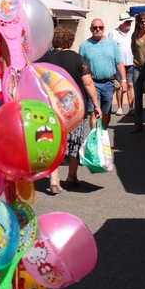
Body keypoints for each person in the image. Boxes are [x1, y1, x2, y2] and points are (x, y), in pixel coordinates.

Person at [43, 26, 101, 192]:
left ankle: (54, 178)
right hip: (75, 108)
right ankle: (72, 175)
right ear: (70, 40)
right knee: (75, 139)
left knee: (53, 141)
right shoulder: (78, 59)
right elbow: (88, 83)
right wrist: (95, 104)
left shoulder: (45, 58)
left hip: (51, 106)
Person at [79, 18, 126, 130]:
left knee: (106, 112)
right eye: (95, 27)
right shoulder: (84, 46)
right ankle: (95, 138)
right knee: (94, 112)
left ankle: (102, 134)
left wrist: (123, 80)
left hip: (109, 83)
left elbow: (119, 63)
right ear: (91, 29)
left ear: (104, 29)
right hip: (92, 83)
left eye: (100, 27)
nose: (98, 29)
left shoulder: (111, 43)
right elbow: (80, 67)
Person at [108, 14, 135, 116]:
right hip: (119, 64)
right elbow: (109, 49)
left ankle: (131, 107)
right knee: (119, 86)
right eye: (127, 22)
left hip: (131, 62)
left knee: (130, 85)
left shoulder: (133, 33)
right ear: (122, 23)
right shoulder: (113, 33)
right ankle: (119, 108)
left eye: (130, 22)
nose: (129, 24)